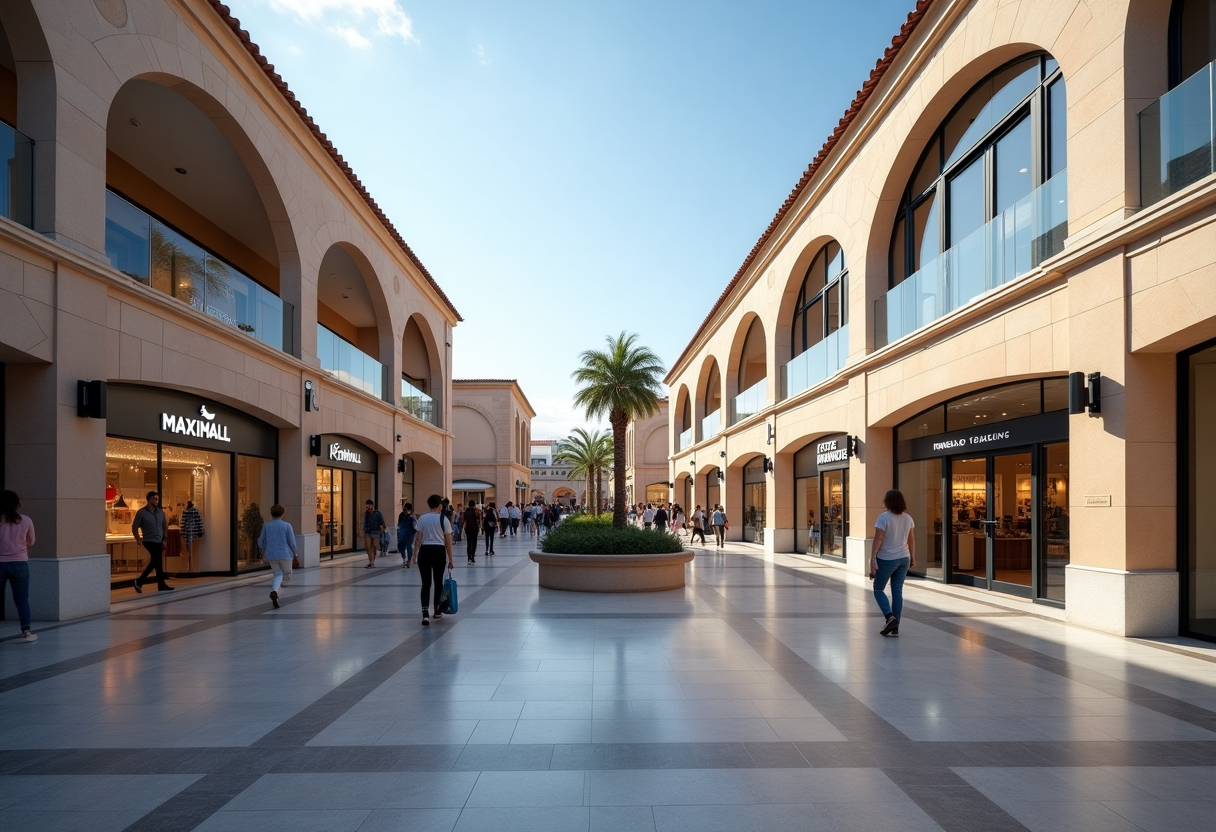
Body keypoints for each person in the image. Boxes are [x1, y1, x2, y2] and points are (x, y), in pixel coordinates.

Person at [870, 488, 916, 636]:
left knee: (878, 588)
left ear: (887, 501)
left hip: (887, 558)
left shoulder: (883, 518)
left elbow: (878, 538)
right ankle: (895, 626)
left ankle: (890, 617)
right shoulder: (908, 518)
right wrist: (913, 557)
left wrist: (872, 557)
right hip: (904, 557)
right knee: (897, 591)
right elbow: (911, 539)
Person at [0, 490, 37, 642]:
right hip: (20, 563)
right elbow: (32, 541)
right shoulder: (26, 520)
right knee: (22, 600)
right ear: (17, 504)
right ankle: (26, 631)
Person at [412, 494, 454, 626]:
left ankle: (425, 613)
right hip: (438, 552)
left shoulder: (423, 518)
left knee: (425, 583)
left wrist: (414, 555)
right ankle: (436, 609)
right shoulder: (444, 519)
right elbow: (448, 541)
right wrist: (451, 559)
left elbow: (418, 538)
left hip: (424, 551)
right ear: (440, 506)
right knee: (438, 582)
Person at [257, 504, 297, 608]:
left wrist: (265, 547)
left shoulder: (267, 526)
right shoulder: (287, 525)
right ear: (283, 514)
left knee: (277, 574)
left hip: (271, 554)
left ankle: (275, 591)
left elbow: (261, 541)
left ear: (271, 514)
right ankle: (276, 592)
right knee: (287, 575)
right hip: (285, 553)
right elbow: (292, 542)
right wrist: (295, 553)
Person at [132, 491, 173, 592]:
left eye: (157, 499)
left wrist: (165, 539)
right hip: (149, 540)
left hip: (159, 540)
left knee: (156, 562)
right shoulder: (141, 513)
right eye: (154, 498)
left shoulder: (160, 512)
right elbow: (134, 526)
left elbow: (164, 526)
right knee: (157, 561)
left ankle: (141, 581)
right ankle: (160, 584)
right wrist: (138, 538)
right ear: (149, 499)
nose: (156, 500)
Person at [362, 499, 385, 568]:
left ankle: (373, 559)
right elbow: (364, 522)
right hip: (368, 532)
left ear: (372, 505)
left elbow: (382, 522)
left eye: (369, 506)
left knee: (375, 546)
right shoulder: (366, 513)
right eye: (367, 506)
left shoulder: (378, 513)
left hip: (376, 532)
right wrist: (364, 529)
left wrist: (383, 529)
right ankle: (370, 561)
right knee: (368, 547)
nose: (368, 508)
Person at [397, 502, 417, 568]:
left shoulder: (412, 516)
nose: (404, 510)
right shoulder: (401, 515)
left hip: (410, 533)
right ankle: (404, 558)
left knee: (409, 546)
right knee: (402, 545)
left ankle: (408, 560)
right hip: (403, 532)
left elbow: (415, 525)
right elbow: (399, 524)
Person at [463, 500, 480, 564]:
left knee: (469, 543)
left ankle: (469, 558)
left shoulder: (466, 511)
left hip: (468, 528)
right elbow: (478, 518)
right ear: (474, 504)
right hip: (475, 529)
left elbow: (464, 520)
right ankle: (472, 556)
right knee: (474, 543)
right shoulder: (476, 511)